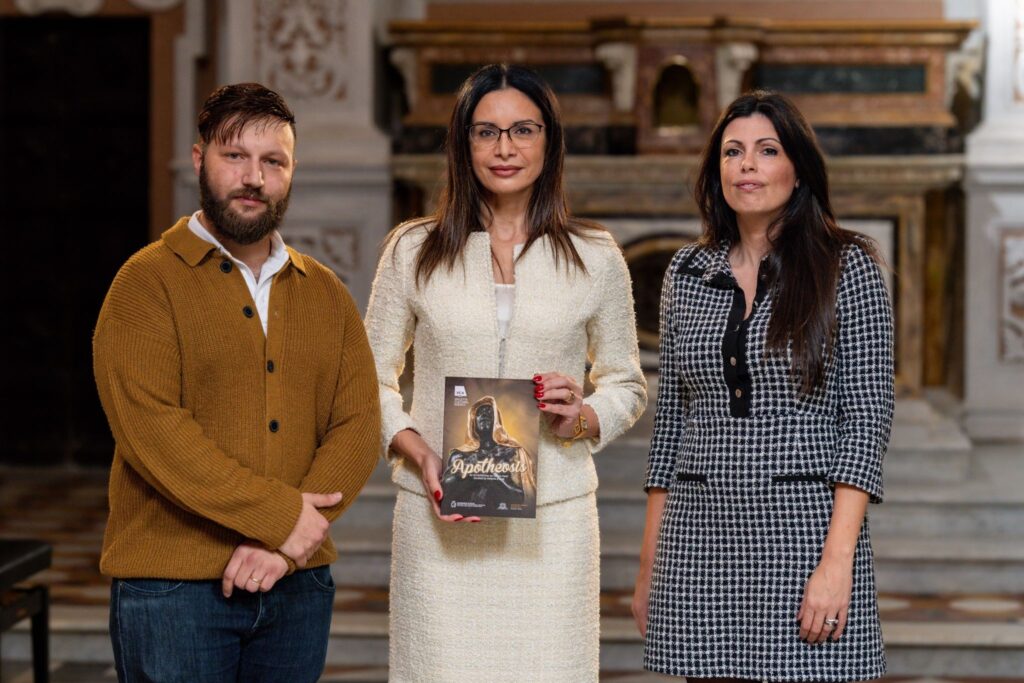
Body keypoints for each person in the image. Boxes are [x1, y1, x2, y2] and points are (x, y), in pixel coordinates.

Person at [364, 63, 647, 682]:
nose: (505, 148)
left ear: (549, 141)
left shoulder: (596, 257)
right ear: (463, 144)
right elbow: (367, 381)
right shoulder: (412, 250)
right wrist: (420, 453)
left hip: (554, 523)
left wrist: (584, 416)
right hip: (438, 518)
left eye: (523, 130)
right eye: (486, 132)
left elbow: (627, 381)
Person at [92, 82, 380, 682]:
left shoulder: (324, 292)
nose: (254, 176)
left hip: (297, 586)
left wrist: (285, 546)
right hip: (174, 590)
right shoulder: (144, 283)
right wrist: (281, 519)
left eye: (272, 161)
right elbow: (156, 435)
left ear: (291, 171)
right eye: (235, 156)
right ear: (201, 160)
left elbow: (357, 424)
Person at [633, 90, 893, 682]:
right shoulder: (686, 272)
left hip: (800, 533)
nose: (746, 165)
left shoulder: (847, 267)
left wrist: (837, 564)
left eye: (766, 150)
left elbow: (866, 419)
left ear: (797, 169)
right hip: (698, 538)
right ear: (717, 171)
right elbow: (671, 422)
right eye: (732, 152)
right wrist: (650, 565)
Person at [442, 395, 537, 510]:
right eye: (479, 413)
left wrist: (488, 473)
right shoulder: (460, 455)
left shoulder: (512, 453)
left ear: (497, 421)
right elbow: (447, 491)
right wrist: (467, 469)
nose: (484, 415)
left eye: (489, 412)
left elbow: (521, 498)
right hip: (467, 515)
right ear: (473, 422)